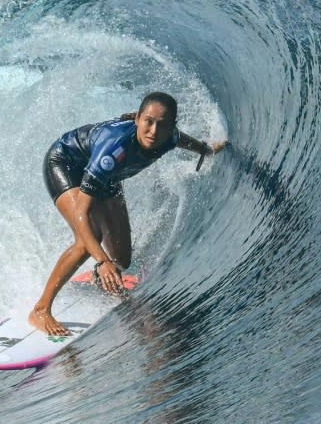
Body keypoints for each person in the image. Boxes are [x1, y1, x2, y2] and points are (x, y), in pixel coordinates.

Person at [29, 91, 228, 336]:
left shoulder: (169, 136)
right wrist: (101, 260)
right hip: (67, 163)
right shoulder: (113, 151)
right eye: (148, 122)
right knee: (87, 239)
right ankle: (41, 309)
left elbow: (181, 140)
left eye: (162, 125)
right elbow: (82, 211)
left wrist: (206, 150)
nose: (153, 131)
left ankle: (102, 278)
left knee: (122, 259)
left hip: (107, 176)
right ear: (137, 119)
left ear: (171, 126)